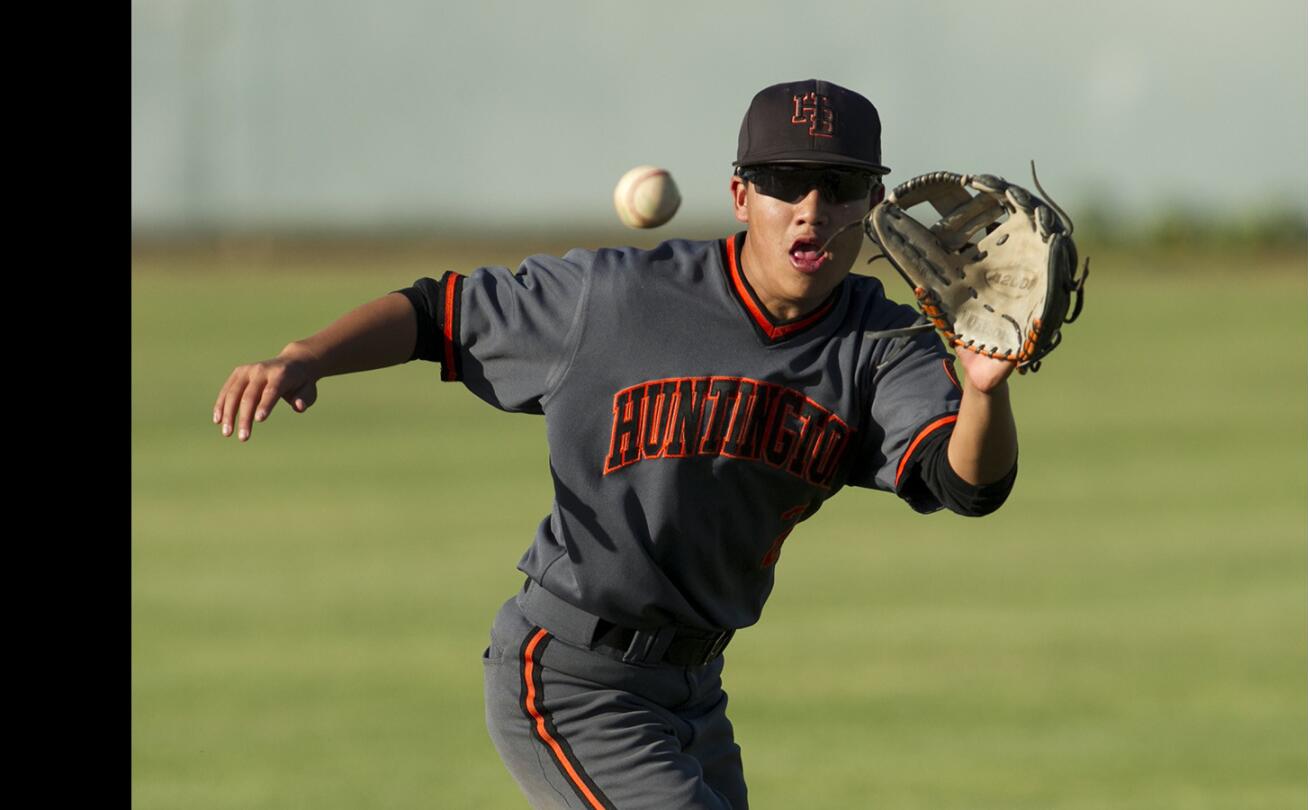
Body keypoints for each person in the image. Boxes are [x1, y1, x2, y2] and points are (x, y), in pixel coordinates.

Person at [212, 78, 1019, 810]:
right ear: (741, 195)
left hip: (696, 688)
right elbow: (437, 313)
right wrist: (305, 355)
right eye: (782, 182)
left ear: (872, 204)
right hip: (570, 676)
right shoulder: (614, 300)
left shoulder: (882, 343)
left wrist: (986, 390)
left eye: (839, 185)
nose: (810, 207)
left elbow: (966, 483)